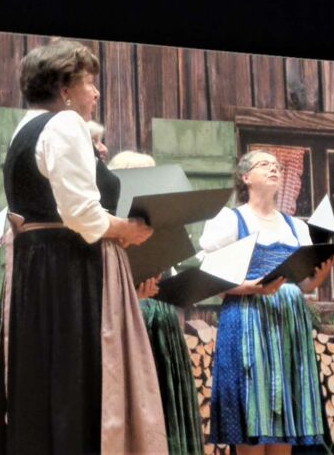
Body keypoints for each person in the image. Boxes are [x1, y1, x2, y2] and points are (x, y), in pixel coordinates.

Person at [0, 39, 167, 454]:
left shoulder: (25, 128)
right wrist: (127, 229)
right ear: (65, 88)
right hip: (71, 272)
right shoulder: (64, 124)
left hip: (38, 272)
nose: (96, 93)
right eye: (89, 82)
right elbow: (82, 214)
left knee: (45, 382)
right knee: (77, 383)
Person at [200, 150, 334, 455]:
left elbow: (303, 284)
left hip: (288, 325)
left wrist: (319, 276)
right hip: (247, 318)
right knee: (251, 410)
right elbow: (209, 278)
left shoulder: (296, 226)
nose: (274, 169)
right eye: (265, 165)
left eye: (277, 166)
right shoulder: (230, 220)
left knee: (284, 415)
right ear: (245, 177)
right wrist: (250, 287)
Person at [108, 150, 205, 455]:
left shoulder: (160, 220)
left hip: (163, 322)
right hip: (130, 323)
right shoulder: (110, 223)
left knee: (168, 403)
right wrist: (134, 293)